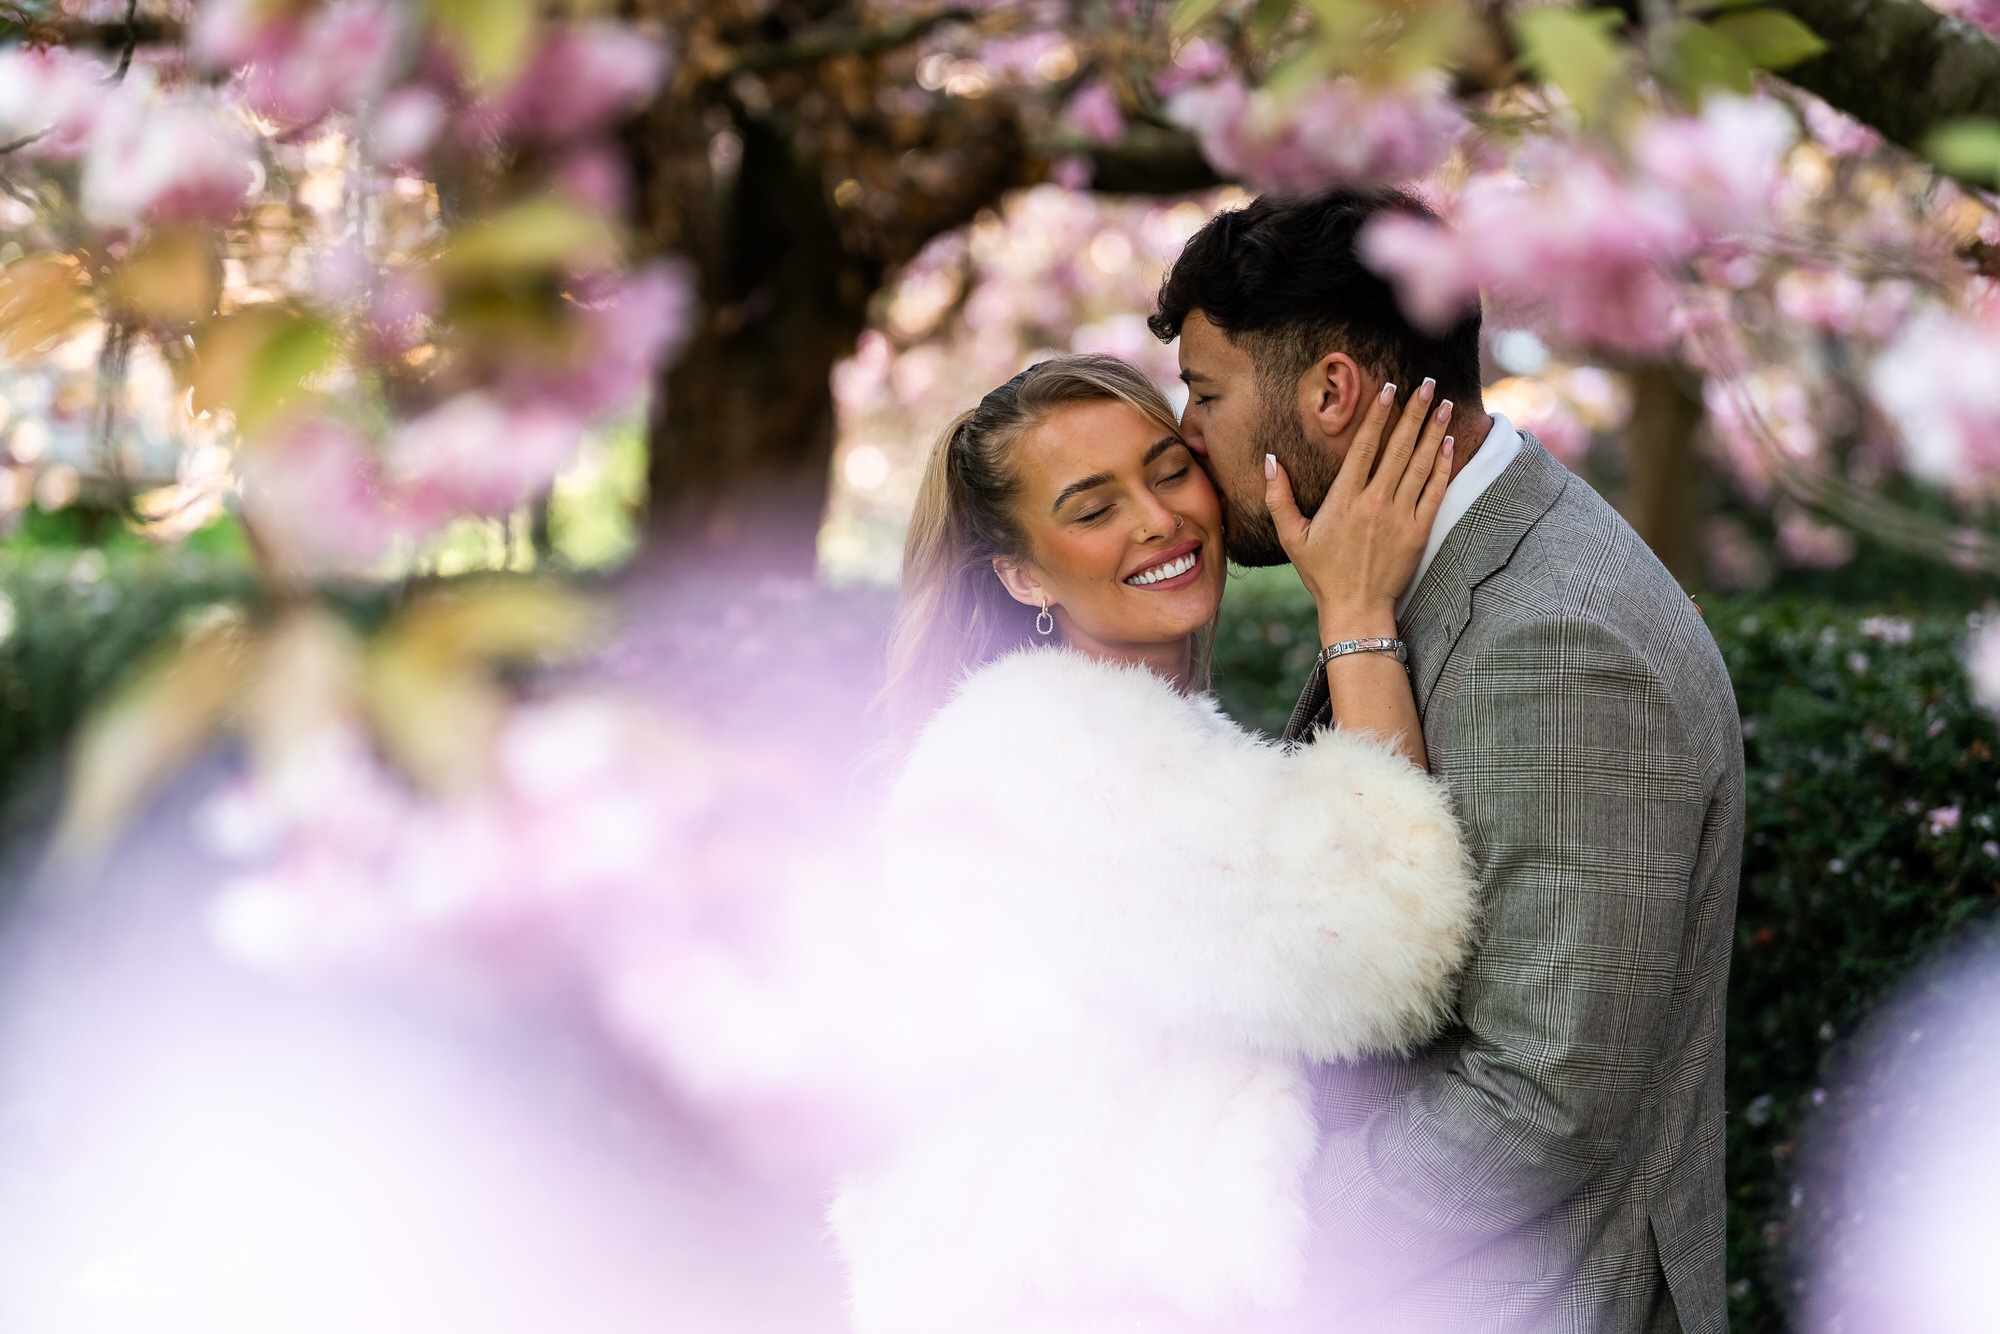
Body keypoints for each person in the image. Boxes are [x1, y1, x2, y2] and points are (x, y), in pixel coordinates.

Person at [1149, 186, 1746, 1333]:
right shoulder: (1448, 567)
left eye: (1205, 392)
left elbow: (1541, 1099)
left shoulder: (1555, 638)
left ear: (1329, 392)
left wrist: (1248, 1220)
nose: (1185, 432)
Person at [842, 354, 1479, 1333]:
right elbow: (1389, 946)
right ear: (1019, 573)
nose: (1155, 518)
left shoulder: (1116, 735)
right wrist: (1355, 614)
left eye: (1167, 468)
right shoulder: (1051, 754)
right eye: (1092, 508)